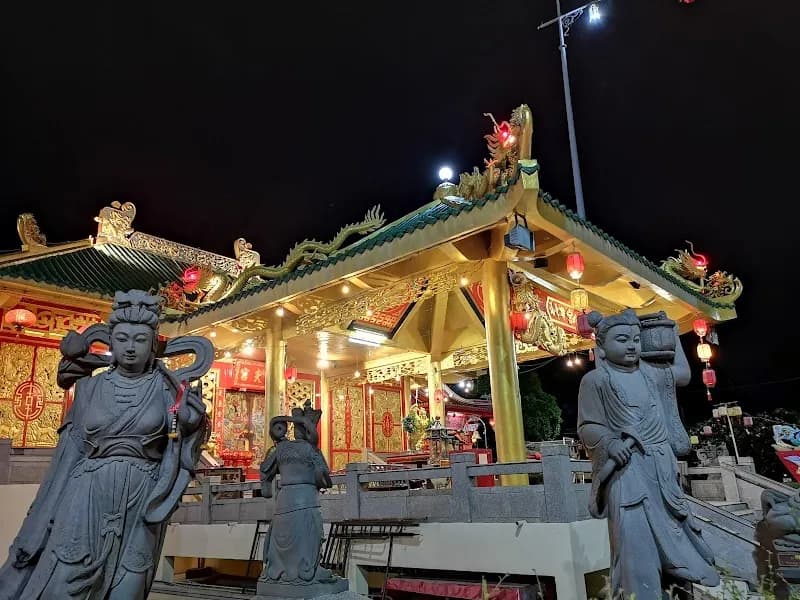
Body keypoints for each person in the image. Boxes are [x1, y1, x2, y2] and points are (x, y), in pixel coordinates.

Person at [0, 290, 212, 599]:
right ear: (110, 342)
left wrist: (192, 424)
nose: (130, 348)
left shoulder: (168, 390)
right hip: (87, 491)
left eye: (139, 340)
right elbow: (70, 452)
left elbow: (179, 437)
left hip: (142, 494)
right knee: (66, 574)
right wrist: (47, 508)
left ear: (153, 346)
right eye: (122, 339)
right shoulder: (90, 388)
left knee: (130, 580)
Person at [577, 309, 719, 598]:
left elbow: (682, 374)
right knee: (635, 543)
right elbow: (588, 425)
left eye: (635, 339)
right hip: (627, 471)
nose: (631, 345)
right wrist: (609, 441)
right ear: (602, 347)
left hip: (661, 469)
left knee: (676, 535)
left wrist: (676, 331)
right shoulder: (596, 382)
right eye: (621, 339)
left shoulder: (652, 375)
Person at [258, 401, 341, 590]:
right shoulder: (311, 450)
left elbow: (264, 471)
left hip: (284, 498)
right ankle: (306, 571)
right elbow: (325, 478)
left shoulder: (281, 449)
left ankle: (279, 572)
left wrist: (266, 488)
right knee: (308, 537)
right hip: (305, 498)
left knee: (284, 538)